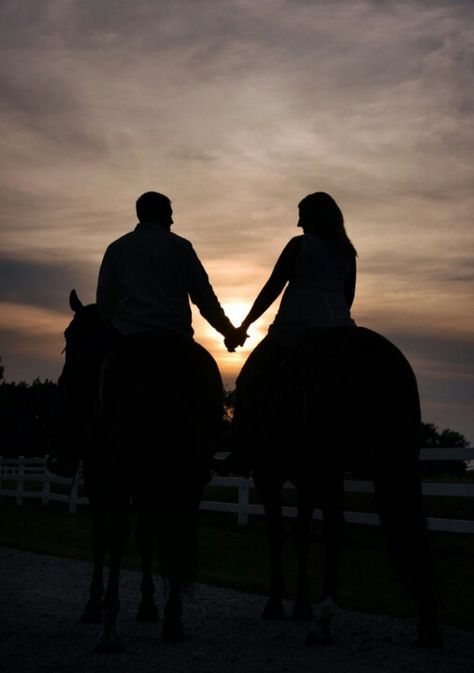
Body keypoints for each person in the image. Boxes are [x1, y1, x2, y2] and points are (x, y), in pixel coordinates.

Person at [222, 191, 357, 473]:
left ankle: (240, 450)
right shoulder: (347, 251)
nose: (298, 223)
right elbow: (348, 299)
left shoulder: (299, 245)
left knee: (248, 380)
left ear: (313, 217)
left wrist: (244, 326)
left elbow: (273, 287)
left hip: (295, 330)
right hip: (342, 330)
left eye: (302, 215)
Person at [97, 191, 236, 343]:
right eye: (169, 214)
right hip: (177, 338)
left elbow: (105, 302)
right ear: (162, 214)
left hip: (128, 337)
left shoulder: (117, 249)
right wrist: (229, 332)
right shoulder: (181, 247)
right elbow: (204, 298)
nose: (172, 221)